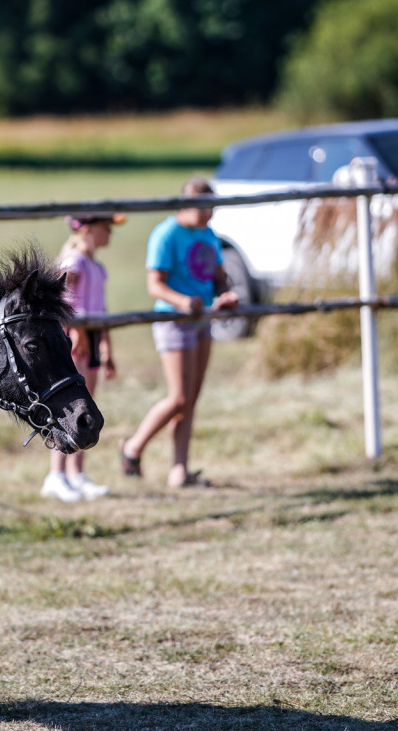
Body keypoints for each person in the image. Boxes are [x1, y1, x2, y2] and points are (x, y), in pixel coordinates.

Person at [120, 176, 238, 488]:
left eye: (210, 210)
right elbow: (154, 284)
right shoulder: (166, 235)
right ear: (185, 205)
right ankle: (133, 447)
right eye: (201, 210)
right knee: (179, 397)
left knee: (191, 399)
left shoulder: (209, 234)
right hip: (174, 321)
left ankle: (180, 470)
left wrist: (225, 294)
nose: (206, 216)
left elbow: (218, 276)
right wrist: (183, 301)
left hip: (203, 321)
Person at [39, 213, 121, 502]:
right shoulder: (74, 260)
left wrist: (107, 345)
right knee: (69, 408)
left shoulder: (95, 264)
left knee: (86, 409)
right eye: (105, 227)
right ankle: (56, 474)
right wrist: (79, 332)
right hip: (76, 338)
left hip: (92, 335)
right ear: (86, 229)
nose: (110, 232)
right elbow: (64, 298)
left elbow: (102, 307)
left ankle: (76, 472)